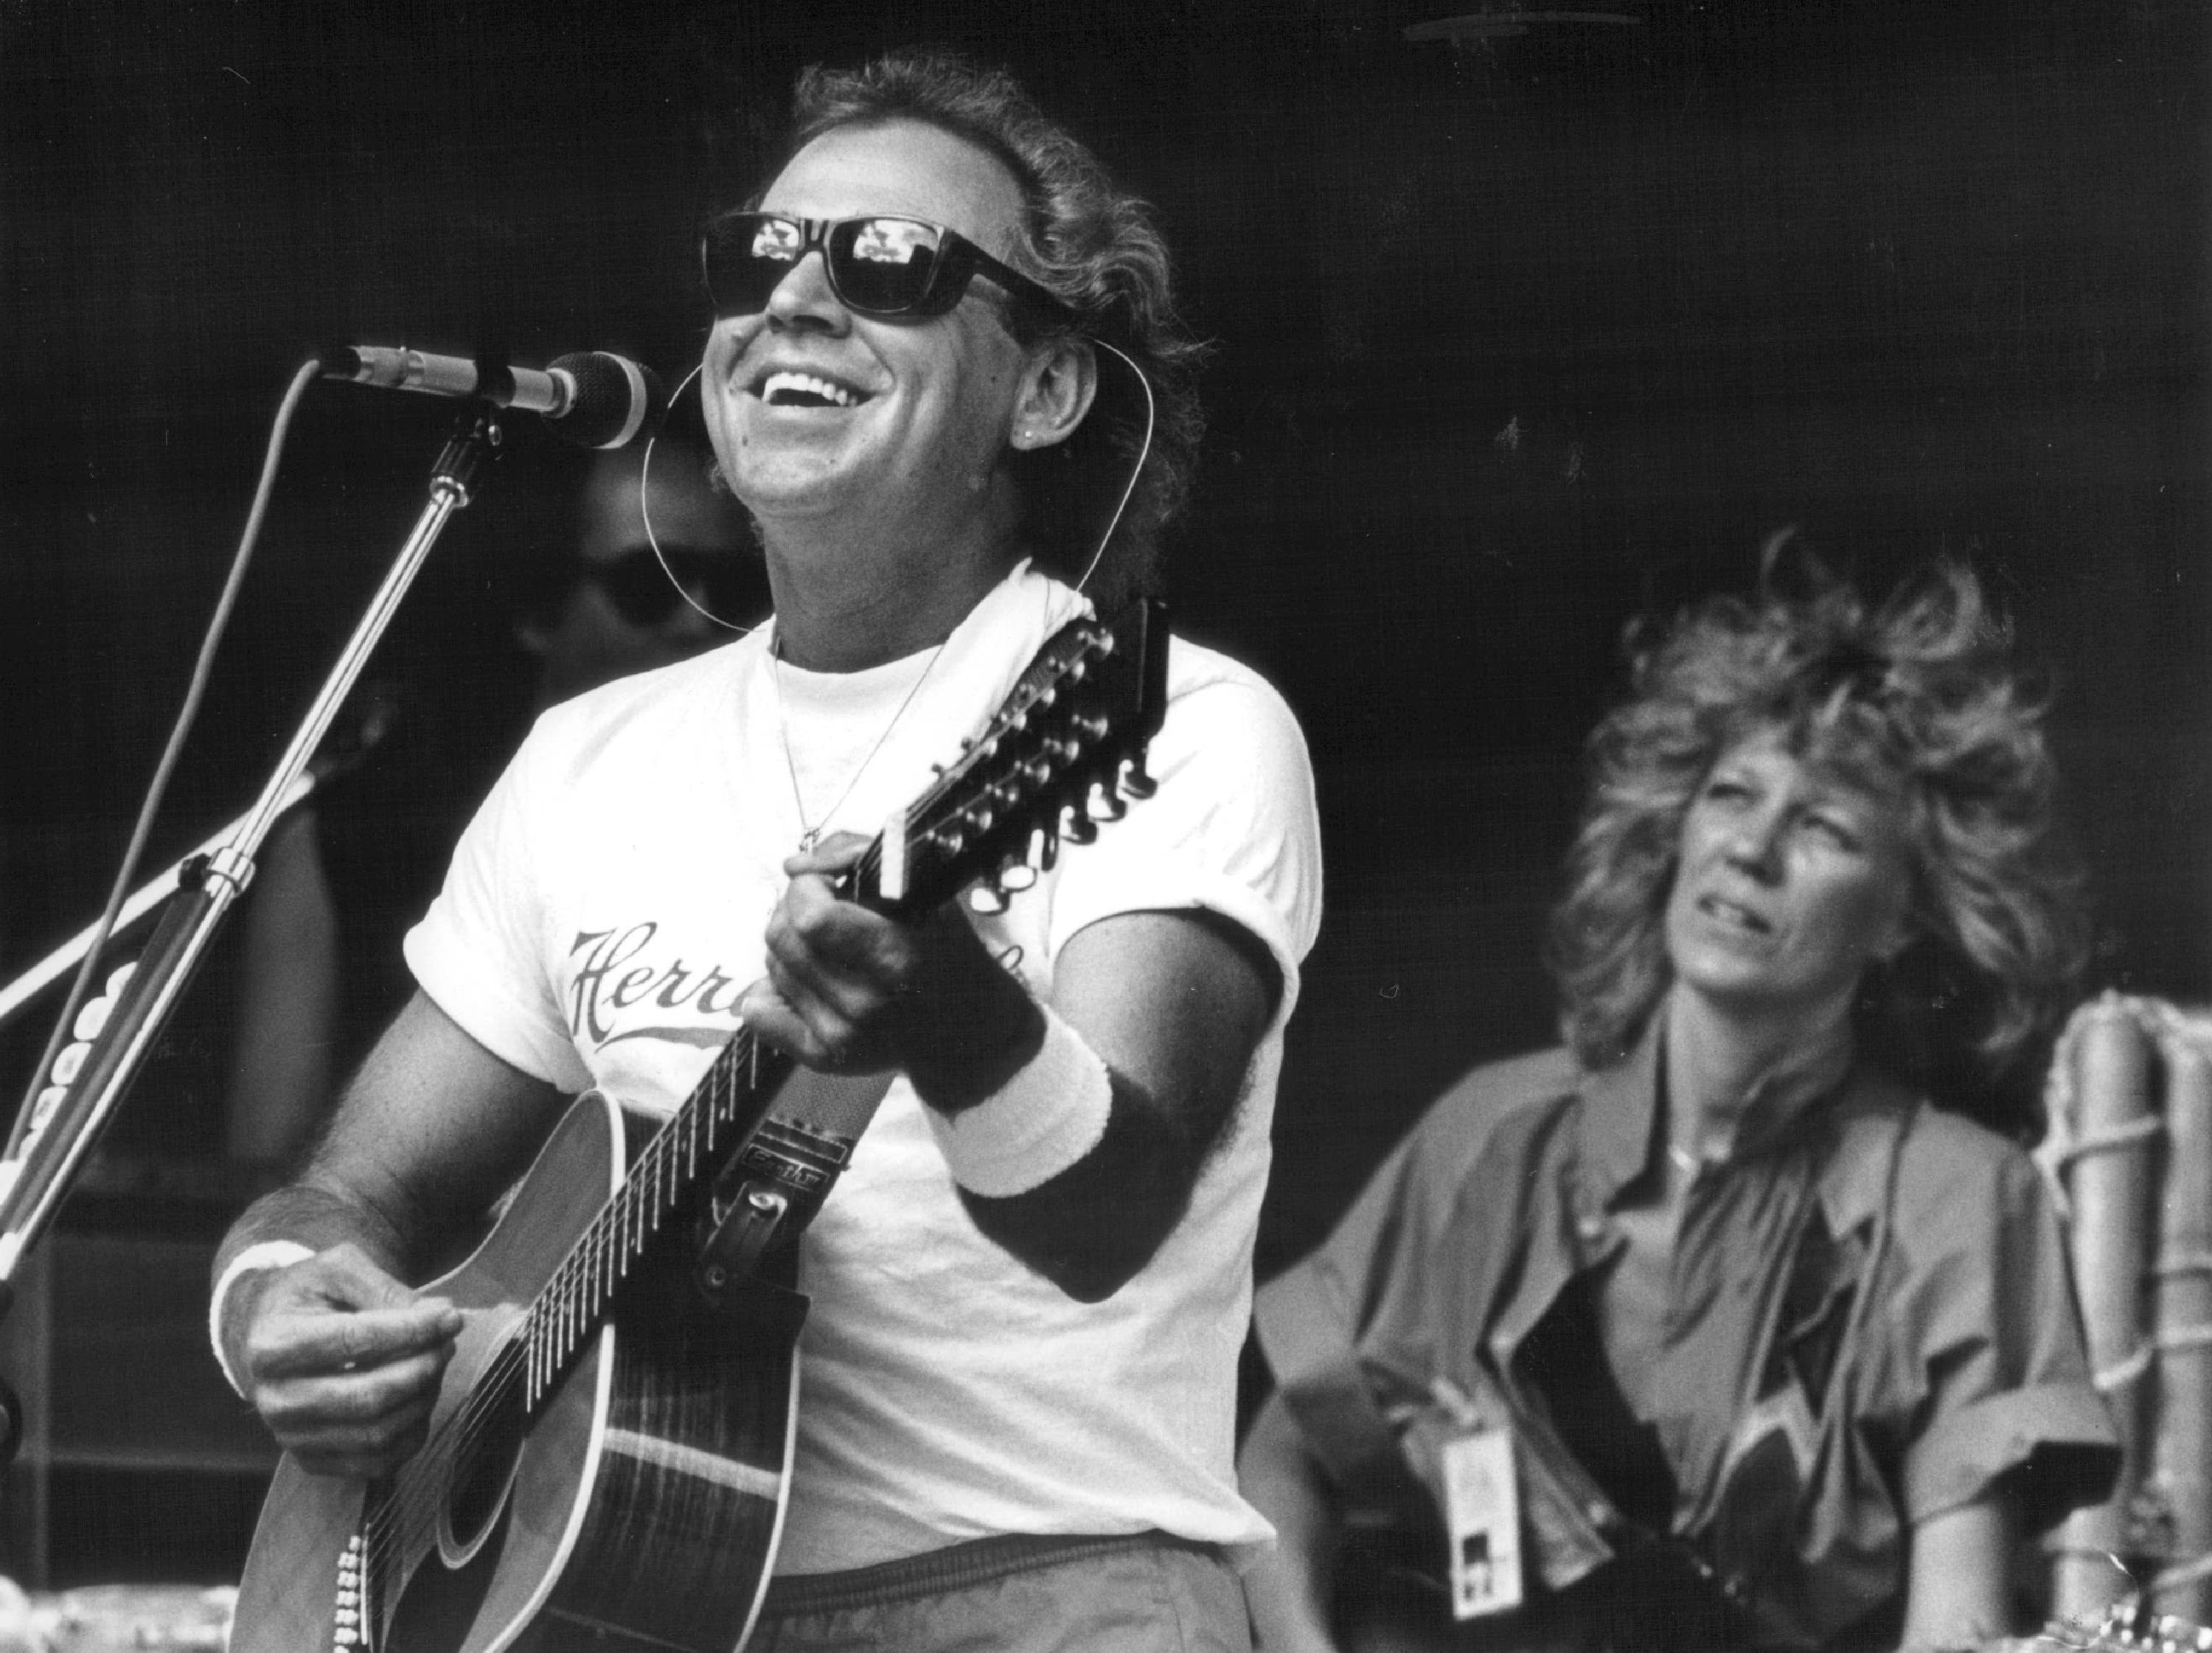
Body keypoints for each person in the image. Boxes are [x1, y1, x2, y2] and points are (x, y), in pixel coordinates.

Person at [209, 46, 1321, 1653]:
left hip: (1048, 1598)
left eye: (890, 264)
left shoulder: (1176, 725)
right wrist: (278, 1313)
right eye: (759, 256)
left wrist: (956, 1014)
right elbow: (353, 1188)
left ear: (1049, 384)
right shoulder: (588, 759)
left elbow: (1109, 1216)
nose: (793, 296)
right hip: (610, 1607)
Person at [1239, 546, 2118, 1653]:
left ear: (1905, 915)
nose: (1751, 847)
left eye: (1825, 828)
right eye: (1732, 794)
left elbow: (1961, 1627)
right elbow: (1283, 1455)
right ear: (1678, 825)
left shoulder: (1963, 1200)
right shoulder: (1497, 1134)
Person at [220, 433, 759, 1168]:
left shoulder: (771, 812)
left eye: (730, 590)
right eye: (649, 585)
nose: (696, 621)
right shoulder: (358, 828)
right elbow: (265, 1160)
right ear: (541, 607)